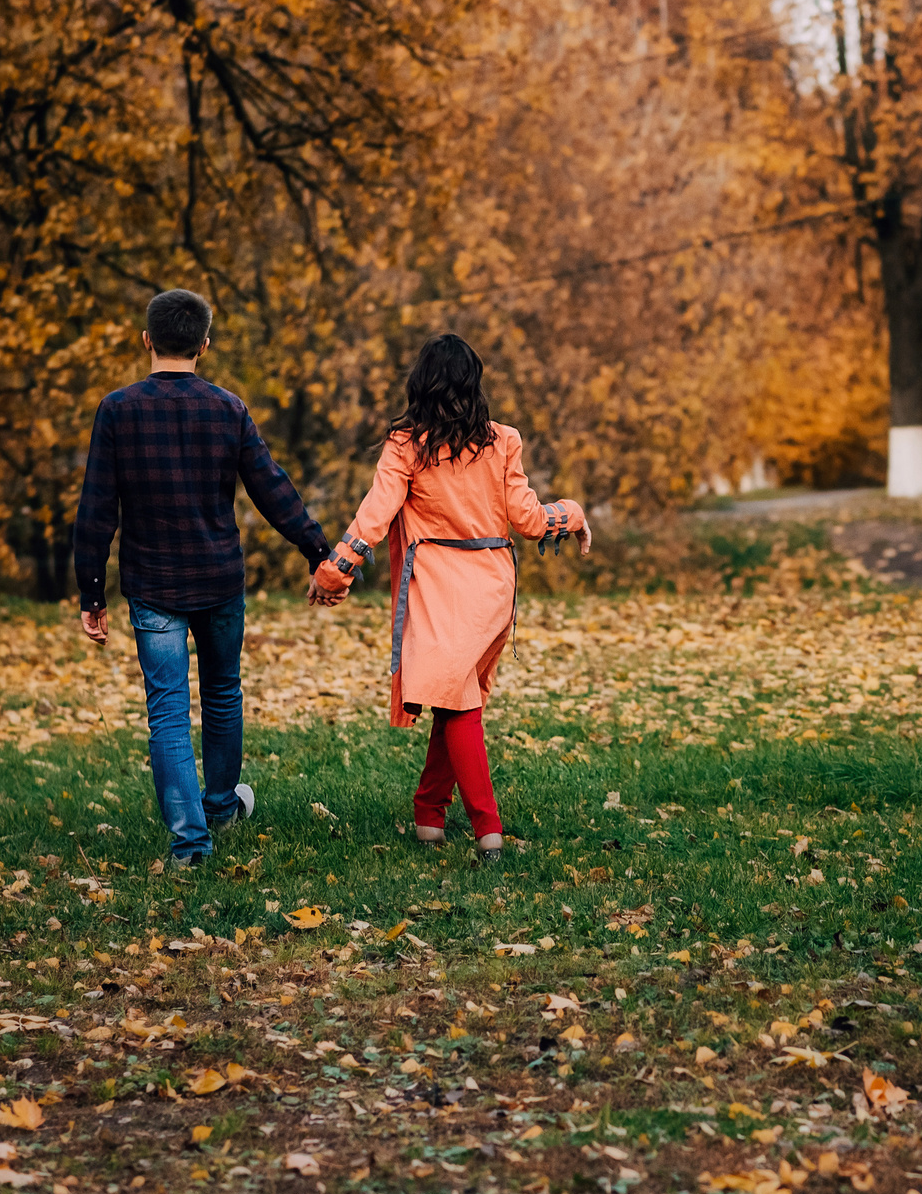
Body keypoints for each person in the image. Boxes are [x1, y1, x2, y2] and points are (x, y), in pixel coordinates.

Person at [74, 289, 335, 866]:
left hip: (152, 585)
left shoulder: (117, 410)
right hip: (219, 580)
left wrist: (91, 592)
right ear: (204, 346)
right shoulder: (227, 408)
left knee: (166, 708)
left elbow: (96, 510)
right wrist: (318, 550)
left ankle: (190, 843)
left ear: (147, 340)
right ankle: (219, 804)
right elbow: (272, 488)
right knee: (222, 692)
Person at [308, 334, 590, 867]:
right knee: (455, 695)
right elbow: (529, 520)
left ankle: (488, 832)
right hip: (491, 588)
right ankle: (429, 814)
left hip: (439, 587)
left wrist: (334, 571)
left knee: (459, 704)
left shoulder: (406, 444)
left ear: (421, 384)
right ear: (474, 384)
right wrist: (570, 513)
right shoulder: (502, 440)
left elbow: (376, 513)